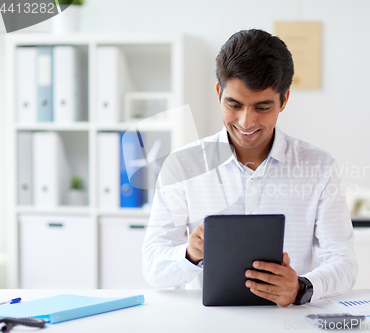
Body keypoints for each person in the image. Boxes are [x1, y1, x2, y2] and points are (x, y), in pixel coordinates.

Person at [143, 29, 357, 307]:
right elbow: (152, 267)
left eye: (262, 107)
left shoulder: (319, 166)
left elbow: (343, 261)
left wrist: (301, 288)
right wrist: (191, 253)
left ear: (284, 100)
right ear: (219, 93)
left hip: (287, 320)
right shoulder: (182, 165)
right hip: (206, 322)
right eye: (234, 104)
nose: (246, 122)